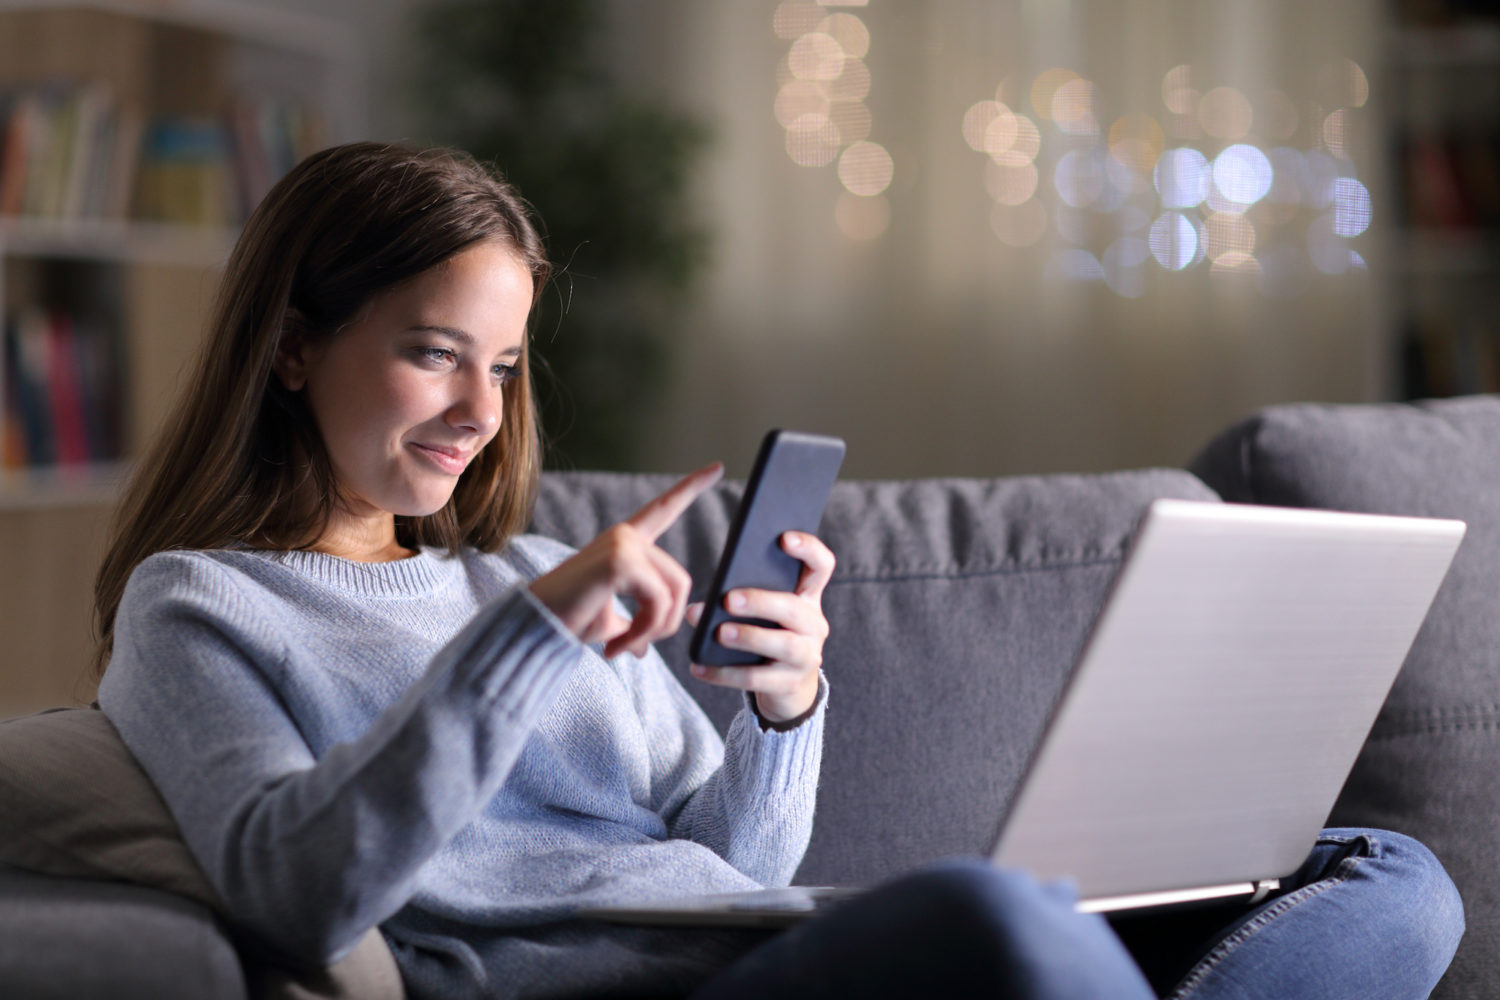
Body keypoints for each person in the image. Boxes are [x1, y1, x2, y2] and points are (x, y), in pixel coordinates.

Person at [93, 141, 1464, 1000]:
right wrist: (528, 640)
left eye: (503, 367)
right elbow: (293, 894)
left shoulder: (516, 564)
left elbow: (730, 861)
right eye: (431, 353)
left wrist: (784, 709)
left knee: (1387, 874)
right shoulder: (200, 606)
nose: (479, 413)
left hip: (774, 938)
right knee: (994, 915)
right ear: (291, 348)